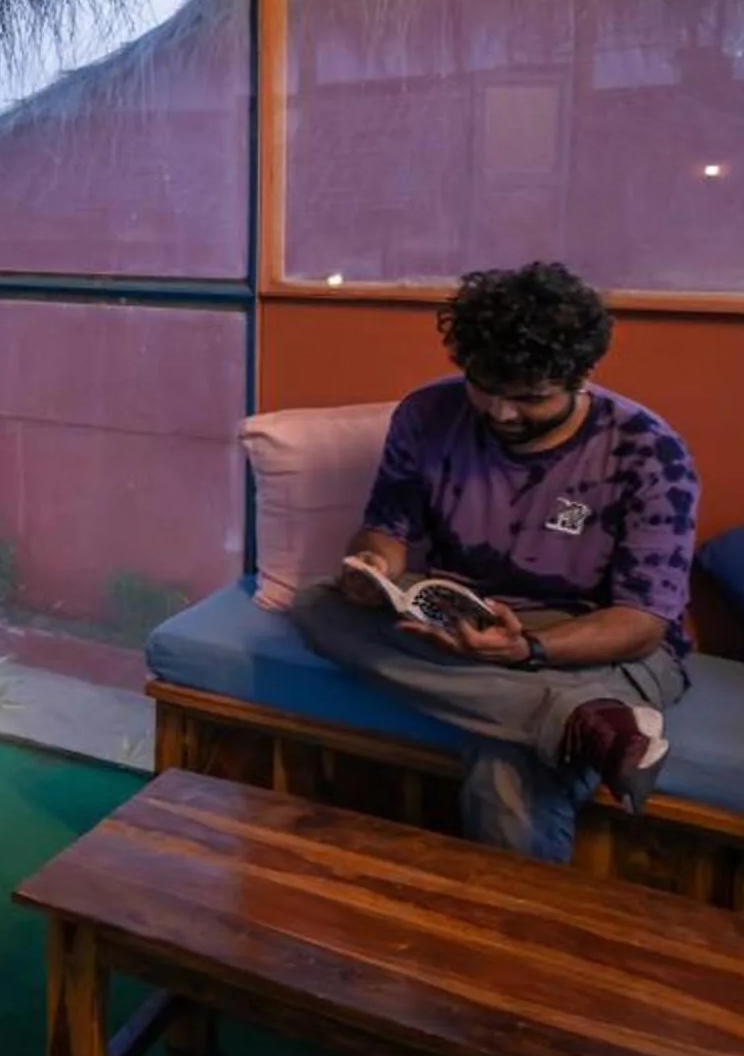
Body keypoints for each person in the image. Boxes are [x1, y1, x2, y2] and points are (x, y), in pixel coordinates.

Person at [289, 262, 698, 862]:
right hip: (466, 617)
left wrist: (529, 651)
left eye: (530, 397)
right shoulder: (426, 414)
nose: (502, 413)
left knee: (507, 773)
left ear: (583, 374)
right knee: (316, 604)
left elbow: (641, 624)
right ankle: (579, 721)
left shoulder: (648, 451)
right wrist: (372, 568)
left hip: (598, 638)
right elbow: (387, 529)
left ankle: (510, 951)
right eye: (484, 386)